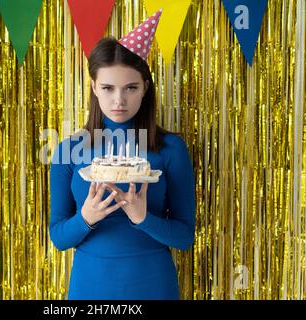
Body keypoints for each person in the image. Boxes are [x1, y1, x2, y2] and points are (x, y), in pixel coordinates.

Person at [49, 9, 195, 300]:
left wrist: (144, 219)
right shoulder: (68, 150)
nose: (119, 100)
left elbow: (184, 237)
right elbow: (58, 237)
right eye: (107, 87)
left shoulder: (171, 149)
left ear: (145, 88)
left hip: (154, 285)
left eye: (130, 87)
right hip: (89, 287)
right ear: (93, 87)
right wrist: (86, 218)